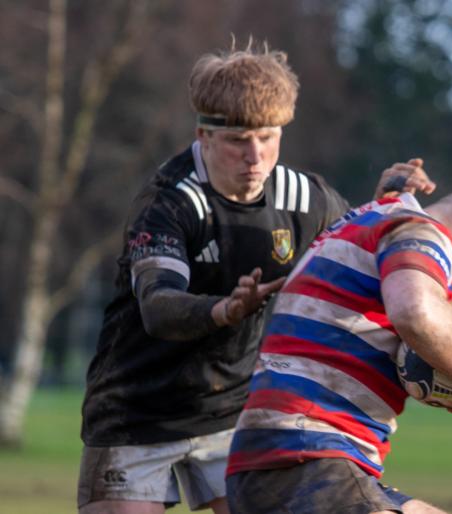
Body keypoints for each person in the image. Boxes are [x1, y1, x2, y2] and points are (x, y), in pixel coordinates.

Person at [77, 41, 427, 514]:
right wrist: (225, 309)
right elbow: (159, 307)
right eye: (239, 141)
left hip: (235, 412)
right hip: (136, 410)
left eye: (268, 137)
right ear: (204, 134)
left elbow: (353, 249)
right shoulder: (169, 202)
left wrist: (384, 202)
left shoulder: (306, 198)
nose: (256, 156)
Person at [224, 188, 452, 514]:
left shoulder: (379, 217)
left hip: (281, 459)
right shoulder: (424, 231)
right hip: (309, 452)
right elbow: (416, 311)